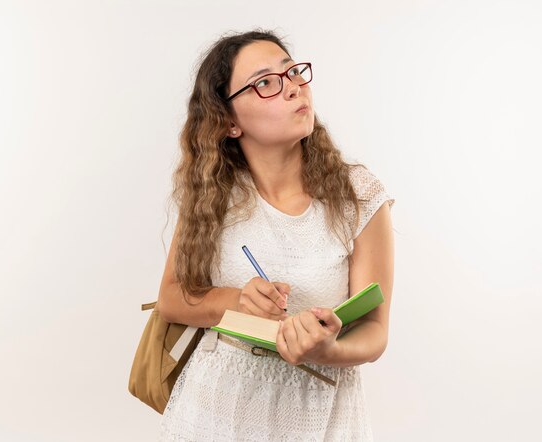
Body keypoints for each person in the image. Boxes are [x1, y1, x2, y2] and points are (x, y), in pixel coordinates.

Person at [155, 29, 395, 441]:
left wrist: (328, 350)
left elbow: (374, 329)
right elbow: (172, 299)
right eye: (265, 82)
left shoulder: (358, 194)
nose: (293, 89)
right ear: (228, 121)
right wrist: (237, 300)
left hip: (322, 415)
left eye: (294, 73)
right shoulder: (212, 193)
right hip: (217, 411)